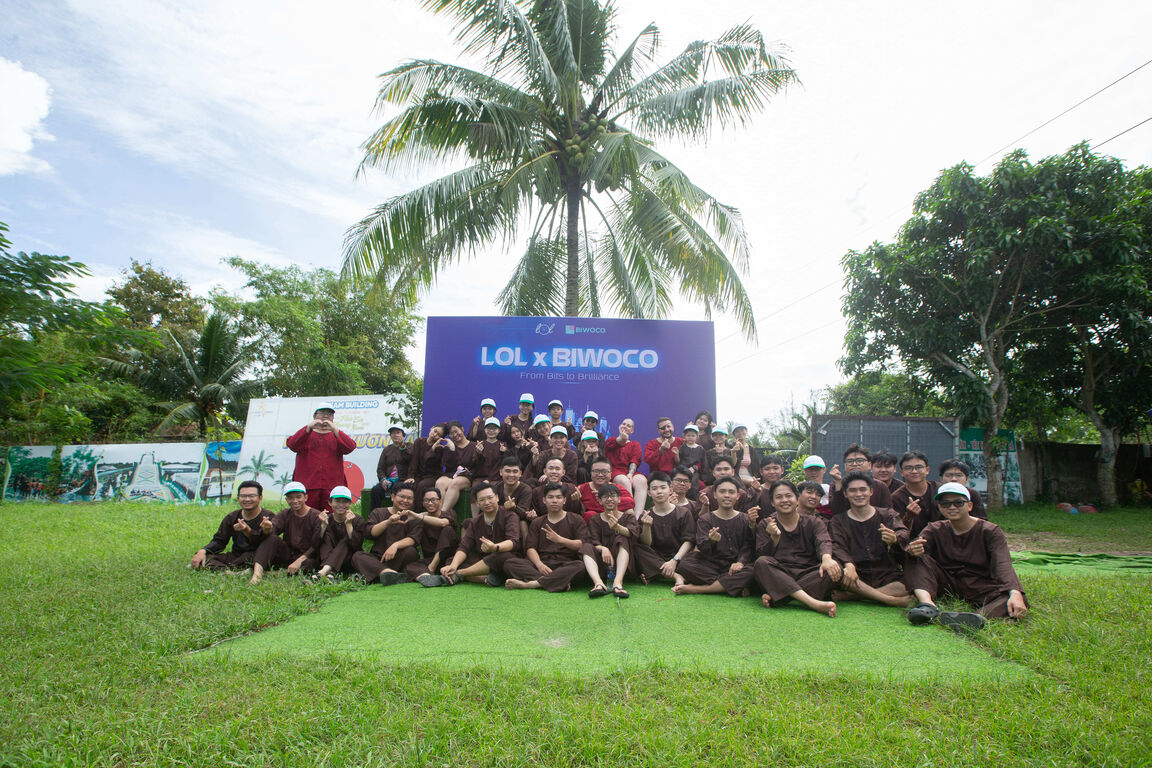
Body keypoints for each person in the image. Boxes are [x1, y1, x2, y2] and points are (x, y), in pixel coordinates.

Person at [904, 483, 1028, 630]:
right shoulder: (934, 529)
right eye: (946, 504)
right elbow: (915, 554)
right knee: (915, 558)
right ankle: (928, 606)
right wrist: (913, 550)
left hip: (981, 585)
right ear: (940, 508)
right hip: (947, 582)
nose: (952, 507)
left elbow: (1003, 564)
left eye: (958, 503)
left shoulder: (990, 531)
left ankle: (975, 618)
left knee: (1014, 597)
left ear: (969, 506)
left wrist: (1015, 592)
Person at [752, 479, 840, 617]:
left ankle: (781, 596)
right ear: (772, 503)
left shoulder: (814, 522)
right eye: (779, 497)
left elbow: (823, 541)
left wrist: (827, 558)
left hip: (808, 573)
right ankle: (813, 603)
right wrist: (773, 538)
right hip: (780, 573)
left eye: (788, 496)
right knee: (761, 563)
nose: (784, 500)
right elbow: (761, 555)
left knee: (833, 567)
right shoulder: (766, 524)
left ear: (797, 499)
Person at [827, 472, 911, 607]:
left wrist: (895, 538)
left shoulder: (887, 514)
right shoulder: (838, 521)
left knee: (909, 582)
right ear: (845, 494)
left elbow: (903, 532)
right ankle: (891, 600)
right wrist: (849, 564)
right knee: (837, 572)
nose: (858, 494)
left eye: (863, 489)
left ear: (871, 491)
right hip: (855, 574)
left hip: (886, 573)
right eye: (853, 490)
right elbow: (836, 546)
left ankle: (854, 596)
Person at [418, 483, 519, 586]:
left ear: (497, 497)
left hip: (503, 556)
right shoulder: (475, 522)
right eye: (482, 500)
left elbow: (513, 542)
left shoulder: (510, 515)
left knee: (500, 557)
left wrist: (495, 547)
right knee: (452, 560)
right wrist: (453, 566)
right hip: (482, 560)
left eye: (490, 498)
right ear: (477, 503)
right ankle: (485, 578)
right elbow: (464, 547)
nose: (487, 502)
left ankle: (459, 574)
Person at [671, 477, 756, 596]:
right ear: (715, 495)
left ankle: (697, 589)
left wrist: (740, 562)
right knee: (686, 565)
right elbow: (702, 547)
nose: (727, 495)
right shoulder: (705, 519)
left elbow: (748, 545)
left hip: (735, 566)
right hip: (711, 565)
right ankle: (731, 584)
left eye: (731, 492)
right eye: (722, 491)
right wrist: (711, 541)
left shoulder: (745, 519)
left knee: (753, 570)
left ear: (737, 496)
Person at [504, 482, 590, 592]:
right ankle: (558, 581)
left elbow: (581, 545)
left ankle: (534, 583)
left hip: (565, 564)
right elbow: (530, 548)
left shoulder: (576, 519)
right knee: (510, 563)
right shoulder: (537, 522)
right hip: (542, 564)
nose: (554, 500)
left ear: (564, 500)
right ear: (544, 500)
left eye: (558, 497)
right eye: (550, 497)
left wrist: (560, 540)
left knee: (581, 566)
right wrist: (539, 565)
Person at [189, 480, 275, 570]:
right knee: (205, 559)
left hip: (257, 556)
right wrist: (203, 551)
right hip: (236, 556)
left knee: (249, 558)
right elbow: (219, 541)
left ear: (260, 498)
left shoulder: (268, 517)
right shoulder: (232, 517)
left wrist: (247, 530)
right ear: (238, 498)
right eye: (243, 496)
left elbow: (269, 543)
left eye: (251, 496)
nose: (247, 499)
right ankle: (230, 572)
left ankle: (234, 569)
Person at [285, 402, 356, 512]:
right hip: (308, 486)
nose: (325, 416)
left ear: (333, 418)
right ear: (314, 416)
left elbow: (350, 447)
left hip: (332, 487)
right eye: (322, 413)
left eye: (329, 414)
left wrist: (334, 429)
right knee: (307, 516)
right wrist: (308, 427)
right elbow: (292, 445)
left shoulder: (336, 435)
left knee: (332, 517)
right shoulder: (305, 434)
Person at [249, 481, 322, 585]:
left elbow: (316, 545)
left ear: (305, 497)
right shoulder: (285, 514)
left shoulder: (316, 516)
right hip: (288, 554)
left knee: (310, 564)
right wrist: (267, 528)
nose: (295, 501)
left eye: (298, 497)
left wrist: (299, 561)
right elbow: (273, 529)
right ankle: (257, 575)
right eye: (291, 498)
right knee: (271, 538)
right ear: (287, 500)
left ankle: (275, 573)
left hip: (306, 557)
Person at [352, 482, 421, 585]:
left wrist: (395, 545)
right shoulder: (378, 512)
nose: (405, 501)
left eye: (409, 498)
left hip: (400, 557)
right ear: (392, 497)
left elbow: (413, 539)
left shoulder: (414, 517)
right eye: (402, 497)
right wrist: (388, 522)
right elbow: (371, 532)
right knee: (357, 556)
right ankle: (387, 573)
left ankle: (379, 574)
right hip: (378, 558)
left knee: (411, 552)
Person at [633, 472, 694, 585]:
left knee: (695, 558)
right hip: (656, 556)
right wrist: (647, 526)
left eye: (663, 487)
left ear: (670, 490)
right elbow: (646, 544)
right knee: (637, 549)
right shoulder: (645, 515)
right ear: (649, 493)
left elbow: (689, 541)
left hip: (679, 557)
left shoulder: (684, 513)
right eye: (654, 489)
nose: (659, 491)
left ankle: (656, 572)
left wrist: (674, 561)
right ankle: (676, 576)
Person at [582, 483, 637, 598]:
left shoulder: (628, 517)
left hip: (624, 561)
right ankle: (598, 583)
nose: (609, 499)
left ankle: (618, 582)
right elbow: (593, 541)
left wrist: (618, 527)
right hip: (602, 562)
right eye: (605, 496)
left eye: (613, 496)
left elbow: (633, 534)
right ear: (600, 501)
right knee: (586, 547)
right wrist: (603, 548)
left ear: (619, 499)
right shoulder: (595, 519)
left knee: (622, 538)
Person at [311, 485, 369, 582]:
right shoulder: (325, 518)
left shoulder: (357, 519)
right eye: (337, 501)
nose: (341, 505)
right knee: (326, 536)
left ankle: (323, 572)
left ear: (350, 503)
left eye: (345, 501)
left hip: (349, 560)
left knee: (346, 541)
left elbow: (356, 546)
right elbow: (315, 544)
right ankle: (330, 574)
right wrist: (323, 526)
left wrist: (349, 525)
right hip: (325, 559)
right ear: (330, 502)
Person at [403, 488, 460, 581]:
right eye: (426, 500)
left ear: (440, 501)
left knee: (447, 530)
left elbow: (442, 523)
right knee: (409, 567)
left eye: (433, 500)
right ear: (423, 503)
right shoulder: (420, 520)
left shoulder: (449, 513)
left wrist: (418, 516)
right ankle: (428, 577)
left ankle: (431, 570)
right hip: (429, 560)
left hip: (449, 559)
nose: (430, 503)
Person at [827, 444, 892, 516]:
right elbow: (836, 511)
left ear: (869, 465)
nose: (854, 464)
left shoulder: (881, 486)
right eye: (850, 461)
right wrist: (838, 483)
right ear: (845, 465)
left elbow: (887, 513)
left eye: (860, 460)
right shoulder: (836, 484)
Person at [890, 450, 938, 538]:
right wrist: (909, 517)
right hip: (912, 543)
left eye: (919, 467)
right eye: (908, 468)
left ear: (927, 470)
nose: (914, 471)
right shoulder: (896, 498)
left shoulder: (939, 490)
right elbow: (899, 532)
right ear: (901, 472)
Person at [606, 418, 648, 512]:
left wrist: (630, 473)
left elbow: (635, 460)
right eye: (624, 424)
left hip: (630, 471)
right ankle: (630, 514)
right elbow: (619, 442)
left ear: (632, 431)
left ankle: (638, 516)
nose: (625, 426)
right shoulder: (610, 440)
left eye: (628, 426)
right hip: (615, 471)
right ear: (619, 426)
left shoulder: (635, 444)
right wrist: (622, 438)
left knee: (642, 480)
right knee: (624, 480)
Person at [436, 421, 479, 515]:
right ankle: (438, 512)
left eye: (456, 431)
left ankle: (443, 514)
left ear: (462, 429)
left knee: (455, 483)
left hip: (466, 477)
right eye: (451, 433)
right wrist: (452, 449)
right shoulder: (448, 447)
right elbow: (448, 466)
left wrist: (469, 472)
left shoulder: (474, 446)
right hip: (451, 475)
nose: (455, 435)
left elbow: (478, 465)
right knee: (440, 483)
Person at [368, 425, 412, 511]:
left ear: (403, 436)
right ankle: (374, 515)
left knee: (397, 488)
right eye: (393, 433)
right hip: (389, 481)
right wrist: (383, 479)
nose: (395, 435)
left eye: (398, 433)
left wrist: (402, 447)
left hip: (403, 480)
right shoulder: (387, 449)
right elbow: (380, 468)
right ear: (390, 436)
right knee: (376, 490)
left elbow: (410, 459)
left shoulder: (409, 446)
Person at [493, 455, 534, 540]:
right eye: (507, 471)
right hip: (498, 519)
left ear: (520, 473)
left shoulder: (526, 489)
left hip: (517, 521)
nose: (511, 475)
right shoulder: (496, 487)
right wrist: (504, 508)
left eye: (515, 471)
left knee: (523, 523)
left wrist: (513, 507)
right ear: (501, 472)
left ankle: (526, 548)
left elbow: (524, 514)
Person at [408, 423, 448, 501]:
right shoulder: (419, 441)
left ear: (441, 438)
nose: (434, 435)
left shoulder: (439, 448)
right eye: (435, 431)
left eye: (438, 435)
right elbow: (414, 461)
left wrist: (433, 448)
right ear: (432, 428)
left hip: (432, 476)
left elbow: (426, 460)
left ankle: (417, 508)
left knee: (421, 486)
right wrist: (410, 476)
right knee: (410, 485)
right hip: (419, 475)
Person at [472, 417, 508, 483]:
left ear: (499, 430)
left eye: (494, 428)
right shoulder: (480, 445)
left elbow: (506, 464)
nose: (491, 431)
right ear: (484, 430)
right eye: (488, 428)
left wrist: (504, 453)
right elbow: (476, 463)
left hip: (498, 480)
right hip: (481, 479)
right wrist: (479, 453)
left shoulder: (503, 445)